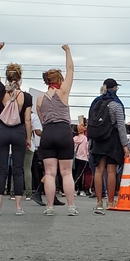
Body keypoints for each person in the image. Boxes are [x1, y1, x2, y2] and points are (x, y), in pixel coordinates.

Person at [35, 47, 79, 214]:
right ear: (59, 79)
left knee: (50, 173)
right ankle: (71, 206)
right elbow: (71, 69)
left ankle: (50, 207)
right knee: (66, 172)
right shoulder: (63, 91)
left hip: (48, 132)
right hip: (63, 131)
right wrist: (67, 50)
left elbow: (41, 119)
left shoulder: (39, 99)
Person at [0, 44, 33, 215]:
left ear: (7, 77)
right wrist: (28, 138)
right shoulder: (27, 97)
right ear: (20, 78)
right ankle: (18, 207)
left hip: (3, 131)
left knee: (1, 169)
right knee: (18, 169)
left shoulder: (1, 91)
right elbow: (28, 119)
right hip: (18, 131)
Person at [87, 78, 130, 213]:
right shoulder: (116, 104)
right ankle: (111, 201)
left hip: (98, 140)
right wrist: (125, 145)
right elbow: (121, 126)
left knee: (99, 171)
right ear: (115, 88)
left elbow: (90, 123)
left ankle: (99, 201)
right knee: (111, 171)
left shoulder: (95, 103)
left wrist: (90, 141)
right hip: (112, 140)